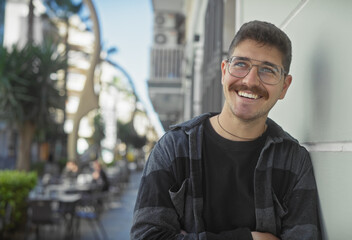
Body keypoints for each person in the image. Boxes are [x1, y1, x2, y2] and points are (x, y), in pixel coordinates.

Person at [131, 20, 322, 240]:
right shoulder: (174, 148)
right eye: (241, 64)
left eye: (268, 70)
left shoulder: (294, 161)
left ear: (284, 87)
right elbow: (146, 237)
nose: (250, 81)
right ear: (224, 71)